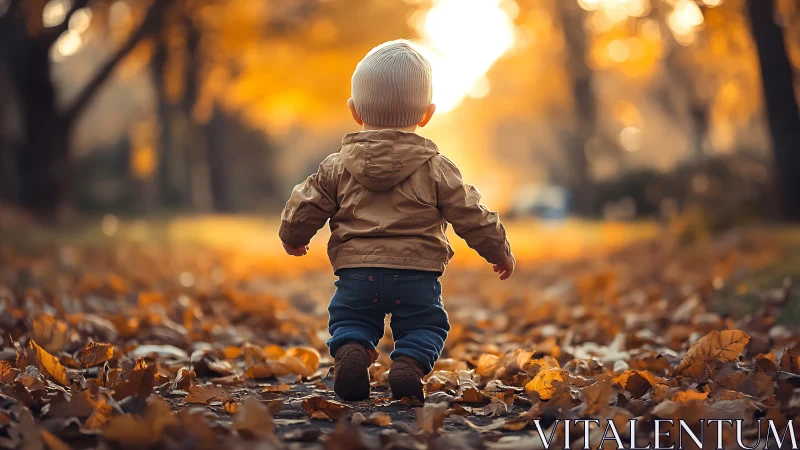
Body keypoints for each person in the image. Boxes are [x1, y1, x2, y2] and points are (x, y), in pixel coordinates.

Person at [279, 39, 515, 402]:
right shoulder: (437, 167)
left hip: (358, 273)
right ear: (427, 114)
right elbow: (471, 213)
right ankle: (408, 362)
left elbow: (308, 201)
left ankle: (353, 350)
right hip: (416, 276)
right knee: (424, 324)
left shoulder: (337, 165)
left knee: (352, 320)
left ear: (354, 111)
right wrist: (498, 250)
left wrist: (292, 234)